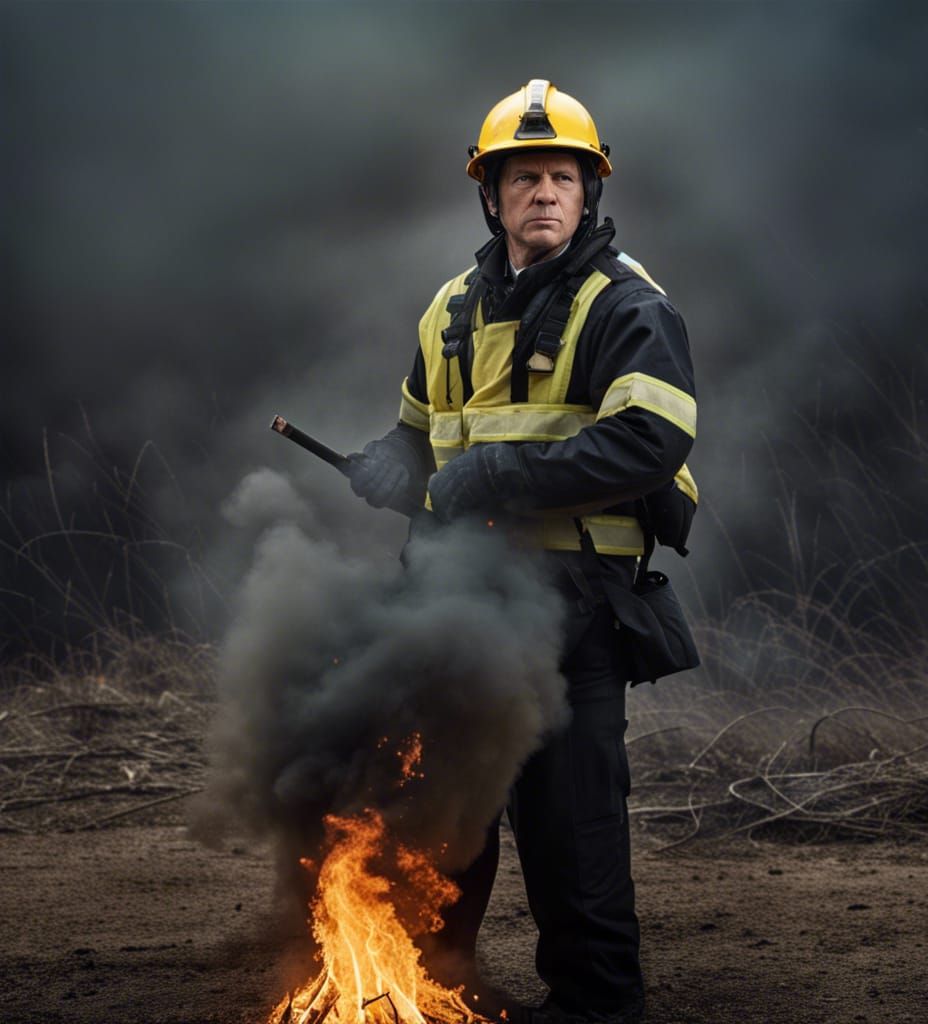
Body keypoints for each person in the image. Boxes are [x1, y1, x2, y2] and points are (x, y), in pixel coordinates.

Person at [347, 80, 699, 1024]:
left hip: (573, 613)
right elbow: (417, 436)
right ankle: (431, 998)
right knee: (440, 830)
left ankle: (594, 1009)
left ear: (589, 192)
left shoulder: (629, 306)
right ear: (490, 195)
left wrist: (497, 476)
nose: (543, 192)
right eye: (523, 177)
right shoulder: (449, 310)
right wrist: (387, 464)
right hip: (457, 609)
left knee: (570, 837)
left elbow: (649, 443)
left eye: (561, 175)